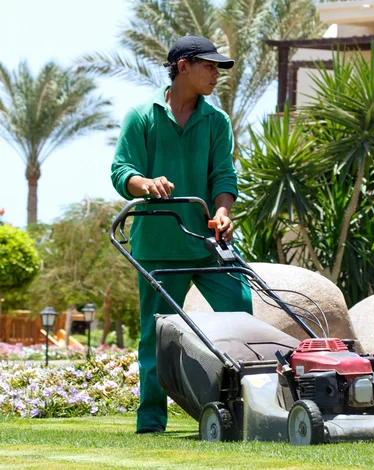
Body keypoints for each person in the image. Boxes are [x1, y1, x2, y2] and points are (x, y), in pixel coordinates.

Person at [111, 36, 253, 434]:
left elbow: (223, 176)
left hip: (208, 245)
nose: (216, 75)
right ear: (184, 66)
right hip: (158, 245)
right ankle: (151, 421)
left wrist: (222, 212)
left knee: (241, 311)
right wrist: (145, 183)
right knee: (156, 337)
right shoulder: (142, 116)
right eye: (210, 66)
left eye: (219, 68)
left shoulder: (216, 121)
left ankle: (240, 410)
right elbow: (122, 171)